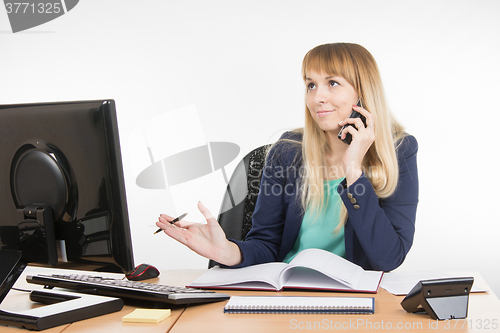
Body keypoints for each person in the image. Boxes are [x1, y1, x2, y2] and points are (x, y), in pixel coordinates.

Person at [156, 43, 418, 272]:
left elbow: (389, 258)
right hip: (287, 290)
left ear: (363, 92)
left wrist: (353, 170)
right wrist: (225, 251)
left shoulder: (399, 151)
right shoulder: (288, 151)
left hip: (355, 299)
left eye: (333, 83)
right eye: (311, 85)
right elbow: (266, 245)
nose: (317, 97)